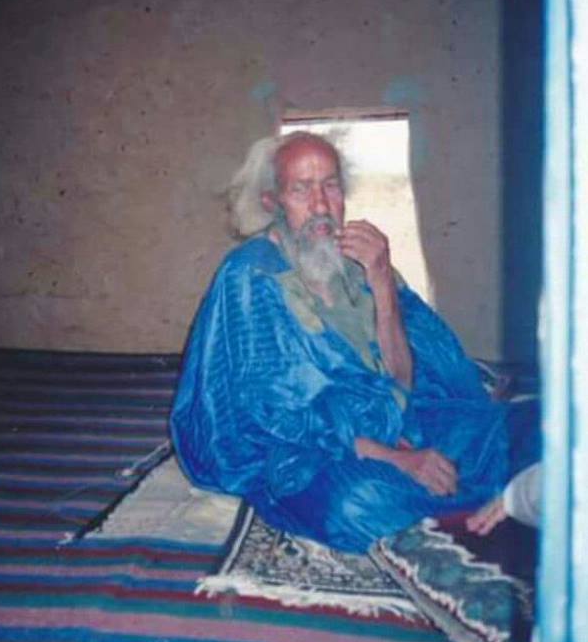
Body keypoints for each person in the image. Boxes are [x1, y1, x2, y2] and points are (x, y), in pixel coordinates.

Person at [171, 131, 538, 553]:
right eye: (301, 190)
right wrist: (395, 457)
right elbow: (273, 418)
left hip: (402, 420)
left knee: (539, 424)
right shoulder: (251, 275)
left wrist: (381, 281)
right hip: (312, 447)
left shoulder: (362, 261)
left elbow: (402, 383)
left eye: (330, 186)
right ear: (272, 202)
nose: (320, 206)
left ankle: (485, 501)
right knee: (357, 503)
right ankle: (494, 504)